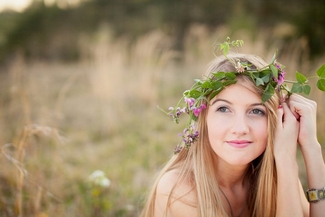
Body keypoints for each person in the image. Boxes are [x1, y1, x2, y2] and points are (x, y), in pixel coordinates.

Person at [140, 50, 325, 216]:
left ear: (275, 119)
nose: (240, 128)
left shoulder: (273, 177)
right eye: (224, 109)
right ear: (204, 118)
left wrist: (312, 148)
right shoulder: (178, 190)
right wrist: (287, 162)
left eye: (256, 111)